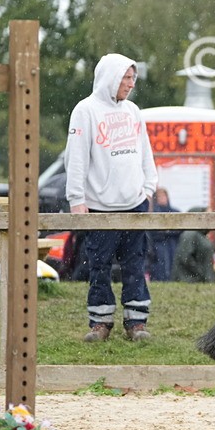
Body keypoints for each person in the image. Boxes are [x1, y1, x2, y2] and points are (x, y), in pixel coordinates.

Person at [65, 54, 158, 343]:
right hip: (99, 206)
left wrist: (149, 187)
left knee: (135, 262)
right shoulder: (85, 110)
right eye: (125, 78)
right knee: (99, 264)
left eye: (133, 78)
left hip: (134, 203)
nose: (130, 84)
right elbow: (76, 158)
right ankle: (100, 321)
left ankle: (136, 322)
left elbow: (145, 152)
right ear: (111, 77)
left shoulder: (133, 111)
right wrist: (76, 199)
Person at [146, 187, 181, 282]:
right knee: (160, 265)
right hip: (158, 246)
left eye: (164, 196)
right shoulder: (153, 214)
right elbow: (152, 232)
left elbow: (179, 229)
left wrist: (167, 231)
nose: (162, 198)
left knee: (172, 264)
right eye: (160, 197)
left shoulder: (175, 212)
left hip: (172, 245)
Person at [173, 207, 215, 283]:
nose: (210, 220)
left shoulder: (201, 235)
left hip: (201, 281)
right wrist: (200, 273)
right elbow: (185, 258)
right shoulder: (190, 233)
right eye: (207, 216)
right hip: (190, 281)